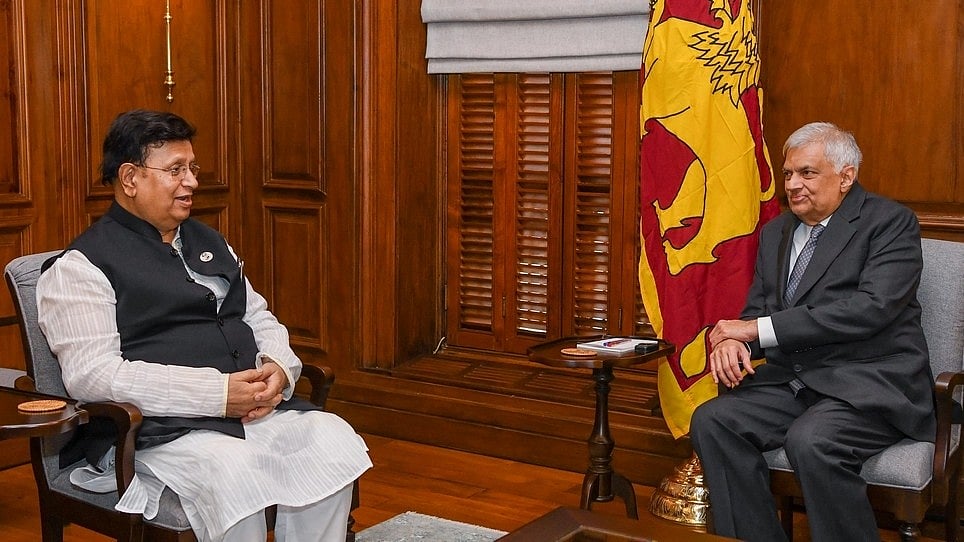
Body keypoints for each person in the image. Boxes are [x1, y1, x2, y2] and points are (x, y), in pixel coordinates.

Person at [36, 109, 373, 542]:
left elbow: (256, 315)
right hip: (161, 432)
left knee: (329, 440)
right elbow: (94, 375)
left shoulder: (209, 241)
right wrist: (217, 395)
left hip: (248, 412)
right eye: (176, 170)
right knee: (233, 470)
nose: (192, 181)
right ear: (130, 178)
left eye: (192, 168)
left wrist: (277, 367)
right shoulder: (80, 267)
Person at [689, 122, 935, 542]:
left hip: (869, 385)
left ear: (846, 176)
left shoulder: (889, 223)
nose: (793, 185)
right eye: (788, 174)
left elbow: (868, 310)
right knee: (713, 420)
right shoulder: (776, 232)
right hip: (797, 381)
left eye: (807, 173)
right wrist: (733, 338)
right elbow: (758, 310)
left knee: (812, 441)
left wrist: (753, 329)